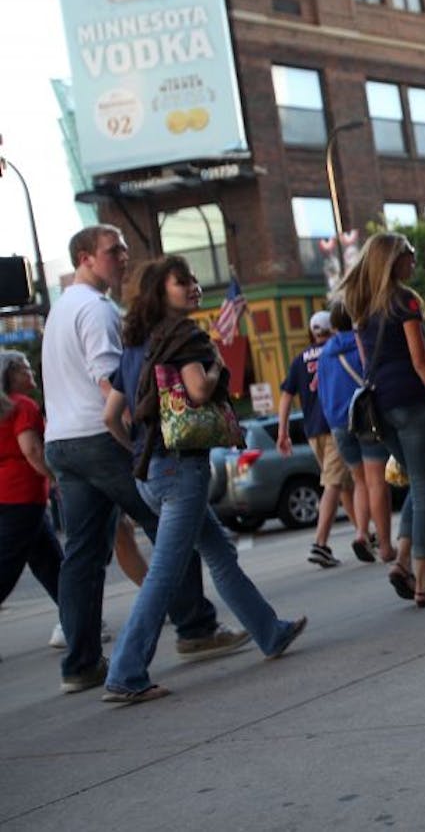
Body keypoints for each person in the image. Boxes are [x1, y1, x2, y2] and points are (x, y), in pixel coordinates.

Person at [43, 225, 247, 695]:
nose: (123, 259)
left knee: (83, 555)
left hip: (63, 442)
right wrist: (143, 438)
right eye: (113, 252)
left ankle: (80, 663)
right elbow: (110, 385)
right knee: (171, 526)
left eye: (125, 251)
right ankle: (195, 629)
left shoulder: (59, 311)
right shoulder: (96, 310)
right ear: (84, 259)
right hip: (99, 437)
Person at [102, 256, 306, 702]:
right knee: (165, 574)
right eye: (183, 281)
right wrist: (213, 365)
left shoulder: (136, 344)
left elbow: (110, 415)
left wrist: (140, 450)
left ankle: (269, 631)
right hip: (181, 470)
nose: (193, 287)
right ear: (160, 290)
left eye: (193, 280)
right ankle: (126, 672)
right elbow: (197, 391)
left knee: (219, 551)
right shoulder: (184, 337)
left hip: (150, 475)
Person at [340, 232, 425, 607]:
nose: (414, 260)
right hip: (409, 400)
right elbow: (420, 360)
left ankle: (404, 562)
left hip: (379, 405)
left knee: (419, 481)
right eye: (410, 253)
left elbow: (366, 363)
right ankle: (423, 582)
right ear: (393, 259)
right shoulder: (405, 301)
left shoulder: (362, 309)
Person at [276, 310, 359, 568]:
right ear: (332, 329)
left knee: (342, 483)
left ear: (313, 331)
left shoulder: (299, 359)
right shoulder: (336, 351)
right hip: (334, 423)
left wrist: (283, 431)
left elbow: (286, 396)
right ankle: (320, 544)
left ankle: (364, 534)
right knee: (334, 483)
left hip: (312, 430)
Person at [0, 352, 64, 635]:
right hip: (23, 495)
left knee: (49, 561)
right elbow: (32, 450)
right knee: (8, 563)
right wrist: (54, 478)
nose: (32, 374)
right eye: (26, 369)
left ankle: (77, 619)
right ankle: (78, 620)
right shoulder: (22, 406)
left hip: (8, 495)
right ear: (11, 375)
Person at [313, 303, 378, 565]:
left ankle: (363, 533)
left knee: (359, 480)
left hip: (338, 424)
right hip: (363, 418)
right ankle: (378, 539)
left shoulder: (325, 353)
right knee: (375, 480)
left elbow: (322, 391)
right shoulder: (362, 341)